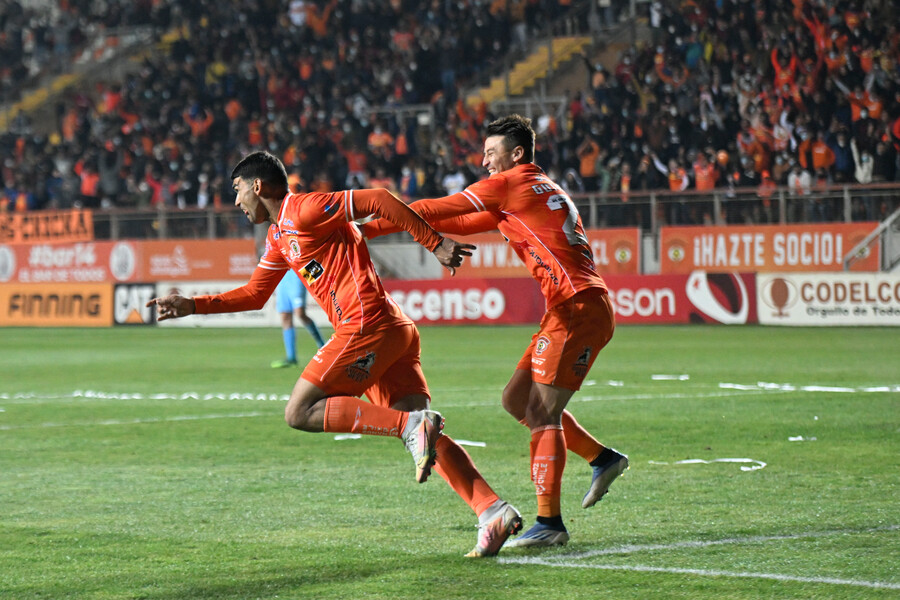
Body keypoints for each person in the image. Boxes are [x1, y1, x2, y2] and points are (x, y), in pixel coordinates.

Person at [147, 151, 522, 557]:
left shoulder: (305, 209)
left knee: (300, 411)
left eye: (238, 191)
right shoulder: (279, 236)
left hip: (366, 324)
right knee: (424, 433)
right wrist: (193, 305)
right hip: (391, 330)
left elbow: (379, 197)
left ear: (258, 186)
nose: (236, 202)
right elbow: (256, 294)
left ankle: (410, 427)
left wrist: (434, 242)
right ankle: (492, 510)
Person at [363, 115, 628, 548]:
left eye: (491, 152)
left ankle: (550, 523)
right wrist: (417, 232)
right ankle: (603, 459)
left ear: (517, 154)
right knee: (516, 400)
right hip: (574, 306)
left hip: (577, 307)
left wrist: (364, 225)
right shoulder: (534, 189)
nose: (484, 160)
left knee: (542, 413)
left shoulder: (513, 183)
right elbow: (460, 224)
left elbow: (437, 209)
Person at [271, 269, 327, 368]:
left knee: (300, 313)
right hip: (283, 276)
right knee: (285, 316)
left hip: (297, 275)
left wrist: (314, 282)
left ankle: (323, 346)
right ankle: (291, 357)